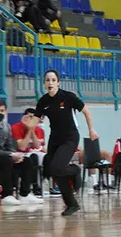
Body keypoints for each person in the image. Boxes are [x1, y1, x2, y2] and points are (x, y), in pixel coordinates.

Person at [30, 69, 98, 216]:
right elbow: (35, 120)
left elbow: (86, 112)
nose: (50, 82)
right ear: (44, 83)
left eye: (53, 80)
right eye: (47, 80)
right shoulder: (43, 102)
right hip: (54, 139)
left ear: (58, 82)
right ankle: (72, 204)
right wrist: (27, 125)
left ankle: (74, 170)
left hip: (70, 137)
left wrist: (91, 130)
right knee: (53, 170)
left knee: (57, 166)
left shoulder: (67, 97)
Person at [0, 99, 25, 205]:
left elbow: (9, 146)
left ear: (5, 111)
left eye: (2, 111)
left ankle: (25, 194)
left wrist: (17, 155)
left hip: (4, 156)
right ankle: (6, 195)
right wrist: (10, 154)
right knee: (7, 160)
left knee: (26, 160)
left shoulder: (7, 126)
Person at [12, 108, 47, 199]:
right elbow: (22, 147)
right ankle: (34, 186)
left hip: (34, 152)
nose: (31, 120)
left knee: (48, 157)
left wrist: (31, 130)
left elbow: (37, 146)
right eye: (29, 117)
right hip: (20, 153)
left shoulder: (39, 130)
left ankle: (46, 181)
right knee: (33, 158)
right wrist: (28, 132)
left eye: (33, 117)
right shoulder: (16, 127)